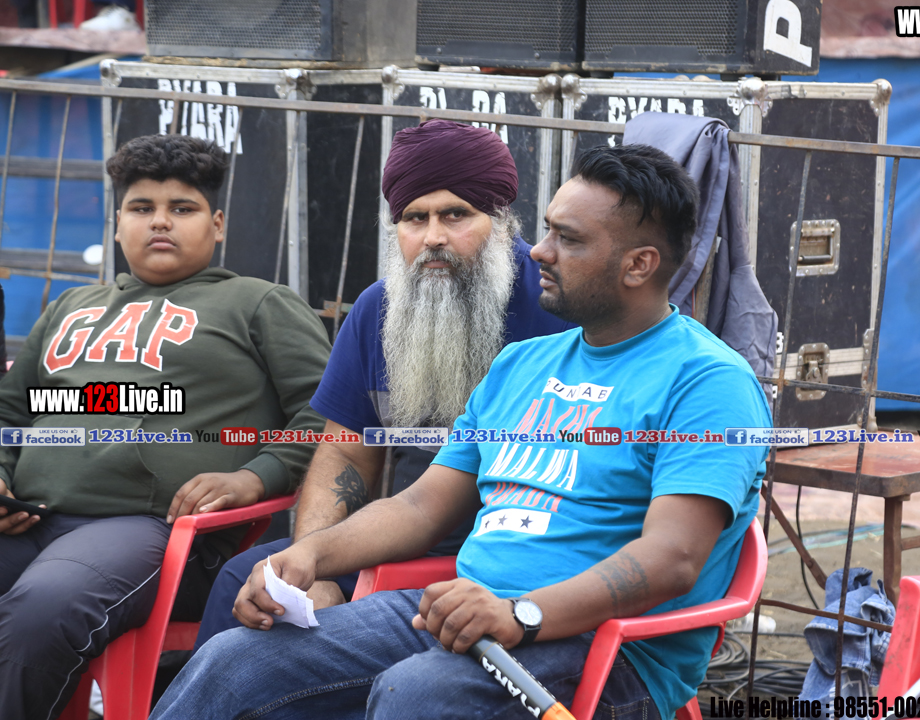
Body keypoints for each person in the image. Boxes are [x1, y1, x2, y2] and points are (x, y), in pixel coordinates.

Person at [151, 143, 773, 720]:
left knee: (419, 693)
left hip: (607, 648)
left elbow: (673, 559)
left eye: (568, 239)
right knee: (235, 660)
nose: (540, 251)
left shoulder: (708, 382)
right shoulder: (522, 364)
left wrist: (522, 613)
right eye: (548, 229)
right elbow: (421, 506)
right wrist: (310, 554)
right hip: (460, 611)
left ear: (639, 265)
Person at [192, 119, 572, 649]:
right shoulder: (378, 310)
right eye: (415, 218)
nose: (433, 237)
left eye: (456, 215)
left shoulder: (560, 306)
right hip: (396, 535)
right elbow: (345, 453)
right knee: (248, 579)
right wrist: (314, 565)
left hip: (519, 560)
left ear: (502, 220)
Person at [0, 134, 331, 720]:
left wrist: (257, 476)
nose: (160, 221)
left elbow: (328, 412)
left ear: (217, 224)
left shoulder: (257, 303)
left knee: (46, 606)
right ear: (117, 224)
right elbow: (10, 413)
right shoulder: (70, 306)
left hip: (152, 532)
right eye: (141, 207)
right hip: (27, 517)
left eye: (182, 208)